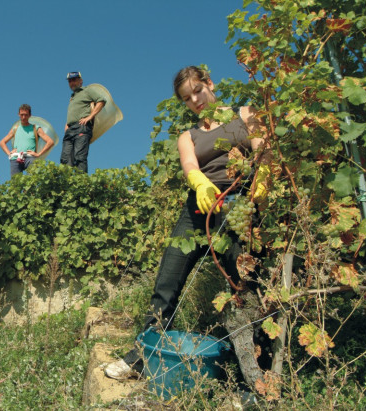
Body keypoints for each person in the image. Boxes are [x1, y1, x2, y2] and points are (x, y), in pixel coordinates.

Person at [104, 66, 270, 380]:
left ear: (210, 84)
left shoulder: (245, 114)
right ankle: (141, 356)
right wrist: (200, 182)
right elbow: (190, 163)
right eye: (187, 97)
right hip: (198, 210)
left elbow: (265, 151)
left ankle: (254, 376)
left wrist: (263, 182)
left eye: (198, 90)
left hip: (240, 208)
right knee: (166, 282)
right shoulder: (188, 135)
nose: (195, 100)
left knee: (244, 290)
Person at [60, 72, 106, 173]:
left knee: (79, 157)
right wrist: (67, 126)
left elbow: (101, 101)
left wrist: (90, 116)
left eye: (74, 80)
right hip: (70, 130)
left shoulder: (87, 91)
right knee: (65, 159)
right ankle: (67, 184)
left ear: (80, 81)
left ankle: (81, 184)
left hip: (82, 127)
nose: (72, 83)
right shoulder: (72, 97)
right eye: (70, 81)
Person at [0, 104, 55, 177]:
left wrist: (39, 154)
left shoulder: (35, 128)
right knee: (15, 184)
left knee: (31, 182)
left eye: (26, 115)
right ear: (18, 114)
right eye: (22, 115)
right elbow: (2, 142)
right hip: (16, 157)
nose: (23, 117)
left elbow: (50, 142)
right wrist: (9, 153)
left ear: (29, 115)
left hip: (30, 157)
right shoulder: (15, 128)